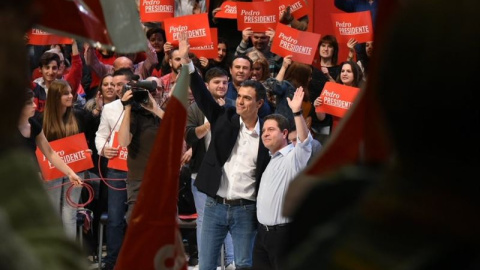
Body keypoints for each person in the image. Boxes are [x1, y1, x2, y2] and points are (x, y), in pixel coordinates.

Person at [180, 32, 271, 270]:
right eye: (239, 96)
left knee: (242, 264)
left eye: (247, 99)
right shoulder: (225, 117)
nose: (240, 102)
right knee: (207, 265)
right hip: (214, 206)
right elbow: (201, 95)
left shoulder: (267, 135)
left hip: (246, 209)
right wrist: (187, 62)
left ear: (259, 104)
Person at [253, 87, 313, 270]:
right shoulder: (271, 160)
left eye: (271, 129)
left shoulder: (294, 157)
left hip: (284, 235)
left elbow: (305, 141)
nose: (265, 133)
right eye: (264, 130)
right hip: (262, 234)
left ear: (285, 133)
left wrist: (296, 112)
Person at [185, 67, 235, 268]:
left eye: (224, 82)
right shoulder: (195, 109)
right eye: (217, 82)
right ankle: (208, 263)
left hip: (229, 173)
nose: (221, 86)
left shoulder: (234, 106)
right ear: (206, 86)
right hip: (201, 173)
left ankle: (231, 262)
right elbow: (189, 136)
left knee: (230, 218)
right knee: (204, 221)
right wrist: (209, 123)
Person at [42, 80, 92, 239]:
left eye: (71, 92)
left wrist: (87, 152)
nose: (71, 96)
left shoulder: (79, 116)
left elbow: (87, 141)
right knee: (53, 212)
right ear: (55, 97)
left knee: (70, 213)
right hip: (52, 171)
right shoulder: (42, 120)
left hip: (76, 170)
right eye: (66, 93)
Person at [95, 69, 134, 270]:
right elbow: (100, 135)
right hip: (116, 170)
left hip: (139, 171)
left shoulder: (144, 105)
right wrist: (103, 148)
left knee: (137, 218)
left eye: (122, 84)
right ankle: (112, 262)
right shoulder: (109, 108)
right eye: (115, 85)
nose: (118, 88)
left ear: (132, 84)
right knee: (115, 219)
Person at [118, 72, 165, 222]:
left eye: (158, 89)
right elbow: (124, 142)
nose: (154, 93)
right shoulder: (134, 115)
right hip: (139, 179)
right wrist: (127, 109)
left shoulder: (166, 112)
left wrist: (155, 109)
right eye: (150, 91)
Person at [314, 60, 363, 131]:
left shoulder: (361, 94)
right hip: (336, 132)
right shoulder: (333, 91)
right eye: (342, 71)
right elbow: (321, 118)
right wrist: (317, 107)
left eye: (348, 71)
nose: (344, 74)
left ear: (355, 74)